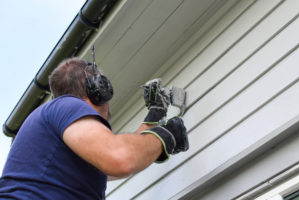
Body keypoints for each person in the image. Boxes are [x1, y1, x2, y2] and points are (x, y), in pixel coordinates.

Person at [0, 56, 189, 199]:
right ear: (100, 89)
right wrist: (164, 136)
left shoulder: (63, 128)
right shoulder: (67, 106)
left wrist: (154, 116)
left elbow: (119, 161)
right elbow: (121, 159)